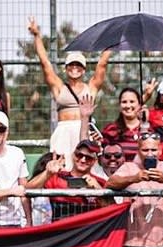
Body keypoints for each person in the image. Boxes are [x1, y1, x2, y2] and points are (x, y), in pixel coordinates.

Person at [28, 17, 110, 168]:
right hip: (63, 130)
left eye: (78, 65)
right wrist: (37, 36)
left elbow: (102, 65)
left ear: (84, 69)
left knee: (85, 165)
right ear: (66, 69)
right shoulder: (59, 87)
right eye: (71, 65)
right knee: (62, 166)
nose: (74, 68)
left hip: (83, 129)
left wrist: (111, 42)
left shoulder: (90, 87)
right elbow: (45, 63)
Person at [25, 139, 108, 222]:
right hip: (62, 232)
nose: (83, 160)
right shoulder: (57, 178)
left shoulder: (99, 182)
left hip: (90, 231)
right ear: (73, 155)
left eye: (88, 158)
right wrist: (47, 173)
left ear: (95, 161)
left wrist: (98, 190)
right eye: (79, 155)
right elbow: (27, 190)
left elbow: (112, 209)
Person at [101, 88, 144, 162]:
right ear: (119, 106)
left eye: (132, 101)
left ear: (139, 105)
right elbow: (103, 156)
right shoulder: (110, 129)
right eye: (124, 102)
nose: (128, 106)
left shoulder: (148, 129)